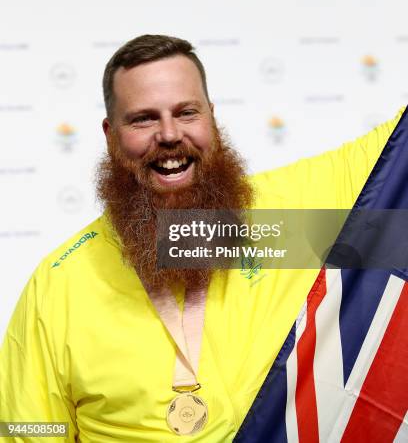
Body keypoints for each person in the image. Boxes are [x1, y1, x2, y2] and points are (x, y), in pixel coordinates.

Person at [0, 35, 403, 442]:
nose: (170, 134)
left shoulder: (289, 219)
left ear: (211, 116)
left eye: (186, 112)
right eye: (144, 118)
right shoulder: (59, 286)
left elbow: (398, 153)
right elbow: (26, 429)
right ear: (110, 133)